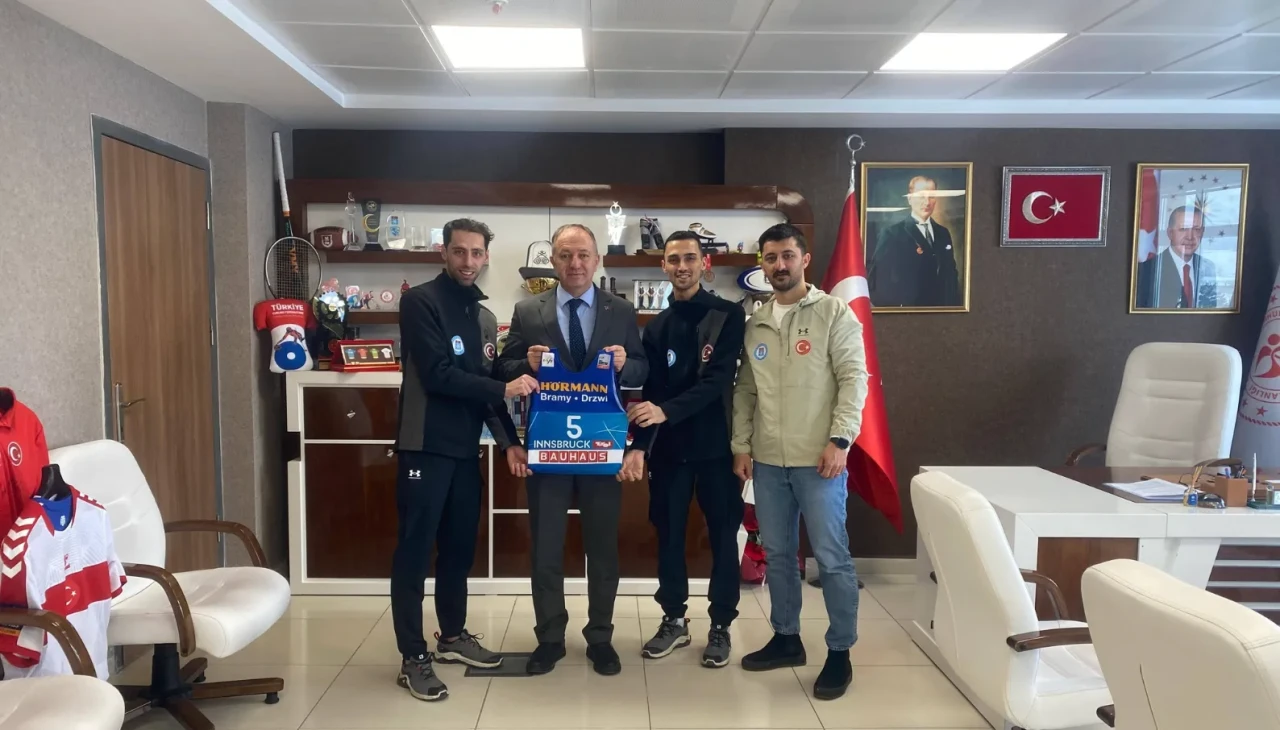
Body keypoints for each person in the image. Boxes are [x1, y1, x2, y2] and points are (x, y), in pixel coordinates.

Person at [392, 218, 538, 702]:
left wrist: (509, 441)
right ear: (444, 252)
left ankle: (452, 637)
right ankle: (412, 656)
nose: (468, 261)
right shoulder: (420, 302)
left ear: (486, 256)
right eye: (460, 251)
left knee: (458, 550)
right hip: (423, 445)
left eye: (477, 253)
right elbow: (437, 374)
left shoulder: (483, 317)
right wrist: (503, 387)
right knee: (415, 553)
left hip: (464, 452)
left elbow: (486, 389)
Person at [495, 223, 648, 676]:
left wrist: (626, 363)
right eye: (565, 255)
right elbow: (502, 367)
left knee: (602, 548)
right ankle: (549, 638)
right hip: (549, 448)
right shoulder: (528, 310)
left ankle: (600, 637)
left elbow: (643, 369)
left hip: (602, 448)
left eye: (583, 255)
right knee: (546, 547)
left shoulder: (621, 310)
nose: (575, 264)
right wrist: (525, 364)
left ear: (597, 260)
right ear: (553, 261)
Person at [731, 223, 869, 700]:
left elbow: (854, 378)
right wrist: (742, 444)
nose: (779, 265)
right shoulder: (756, 322)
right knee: (778, 555)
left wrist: (840, 439)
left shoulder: (834, 313)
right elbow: (746, 390)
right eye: (770, 258)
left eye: (787, 255)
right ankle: (786, 638)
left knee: (831, 558)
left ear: (804, 259)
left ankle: (840, 651)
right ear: (763, 264)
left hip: (820, 460)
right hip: (769, 461)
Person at [622, 231, 746, 668]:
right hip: (670, 454)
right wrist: (639, 446)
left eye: (690, 258)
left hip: (717, 450)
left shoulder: (728, 314)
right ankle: (673, 619)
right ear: (664, 266)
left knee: (723, 538)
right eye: (673, 259)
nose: (682, 266)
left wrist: (665, 411)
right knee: (669, 535)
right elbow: (650, 393)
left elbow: (717, 382)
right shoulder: (656, 327)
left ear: (704, 263)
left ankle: (721, 625)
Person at [867, 175, 961, 307]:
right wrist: (895, 310)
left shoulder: (943, 233)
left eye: (931, 196)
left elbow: (951, 275)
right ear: (910, 199)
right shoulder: (892, 234)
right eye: (921, 196)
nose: (927, 202)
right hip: (907, 312)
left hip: (941, 311)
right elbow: (876, 280)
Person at [1136, 205, 1219, 308]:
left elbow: (1209, 308)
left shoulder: (1208, 267)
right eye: (1183, 229)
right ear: (1170, 233)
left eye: (1196, 229)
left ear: (1202, 233)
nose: (1190, 237)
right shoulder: (1147, 269)